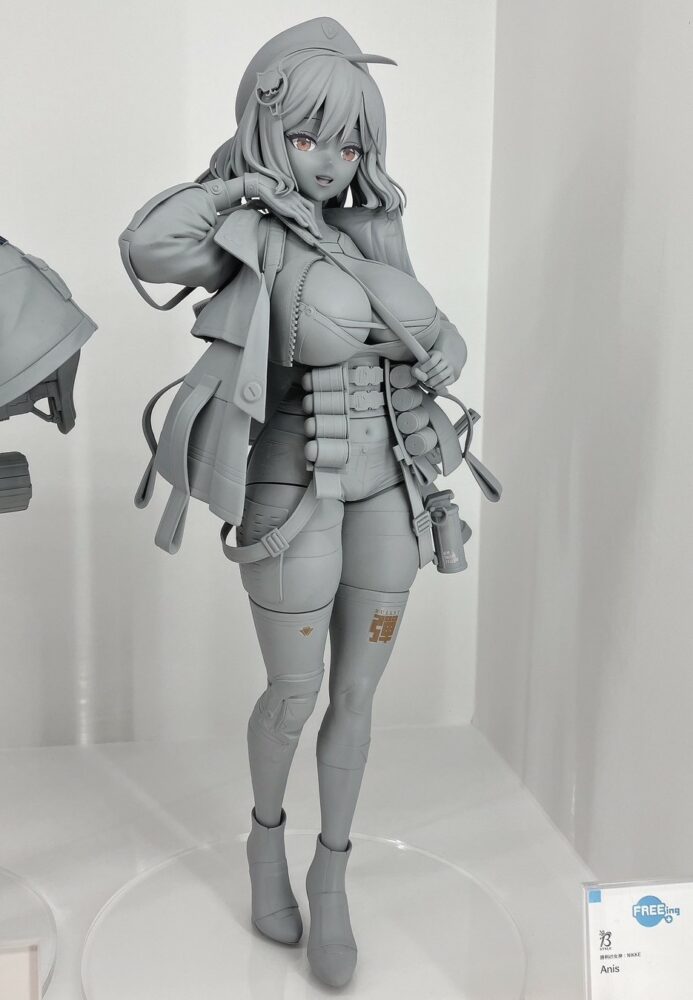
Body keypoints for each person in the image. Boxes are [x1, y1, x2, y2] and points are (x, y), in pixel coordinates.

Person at [119, 17, 486, 987]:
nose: (332, 160)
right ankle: (265, 843)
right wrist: (239, 184)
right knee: (292, 693)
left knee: (357, 695)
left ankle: (332, 876)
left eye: (352, 143)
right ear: (267, 126)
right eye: (310, 135)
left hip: (390, 488)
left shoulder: (372, 232)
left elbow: (427, 333)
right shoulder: (248, 237)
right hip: (292, 490)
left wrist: (442, 351)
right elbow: (147, 245)